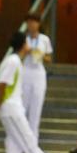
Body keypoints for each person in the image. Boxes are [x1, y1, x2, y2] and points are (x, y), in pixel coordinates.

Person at [0, 32, 61, 153]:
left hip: (10, 107)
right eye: (27, 42)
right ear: (24, 45)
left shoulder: (16, 61)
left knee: (13, 140)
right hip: (11, 107)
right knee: (28, 140)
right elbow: (3, 83)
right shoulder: (13, 61)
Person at [21, 13, 53, 143]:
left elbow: (49, 58)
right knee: (23, 107)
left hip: (38, 74)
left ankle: (33, 142)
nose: (31, 25)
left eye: (34, 22)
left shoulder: (44, 39)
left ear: (39, 24)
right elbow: (19, 55)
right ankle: (21, 139)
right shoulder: (23, 38)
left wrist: (38, 54)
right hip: (25, 72)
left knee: (36, 109)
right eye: (29, 22)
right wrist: (26, 51)